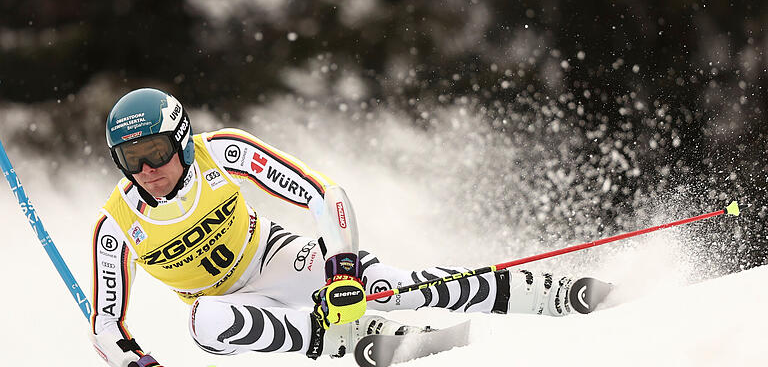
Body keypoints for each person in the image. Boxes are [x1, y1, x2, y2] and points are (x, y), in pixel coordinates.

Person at [89, 88, 612, 367]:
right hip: (233, 307)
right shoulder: (117, 225)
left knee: (385, 286)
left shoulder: (221, 152)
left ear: (180, 141)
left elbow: (324, 194)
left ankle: (545, 292)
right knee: (204, 323)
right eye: (129, 160)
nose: (146, 171)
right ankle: (351, 340)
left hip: (278, 260)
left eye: (155, 153)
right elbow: (106, 329)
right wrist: (138, 363)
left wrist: (341, 270)